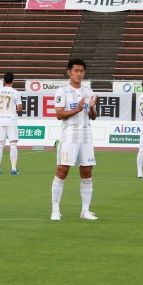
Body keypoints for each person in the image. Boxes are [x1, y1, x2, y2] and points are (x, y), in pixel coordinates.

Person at [51, 58, 98, 221]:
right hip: (69, 136)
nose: (79, 74)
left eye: (82, 71)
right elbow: (59, 114)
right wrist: (78, 109)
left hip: (86, 136)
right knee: (62, 171)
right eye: (76, 71)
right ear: (69, 72)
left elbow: (93, 117)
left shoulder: (88, 91)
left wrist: (91, 107)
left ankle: (85, 210)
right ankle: (55, 210)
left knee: (87, 172)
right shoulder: (62, 91)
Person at [0, 71, 22, 175]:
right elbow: (19, 108)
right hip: (11, 120)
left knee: (0, 144)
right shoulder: (15, 92)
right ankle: (13, 169)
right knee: (13, 144)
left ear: (4, 80)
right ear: (13, 80)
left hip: (1, 119)